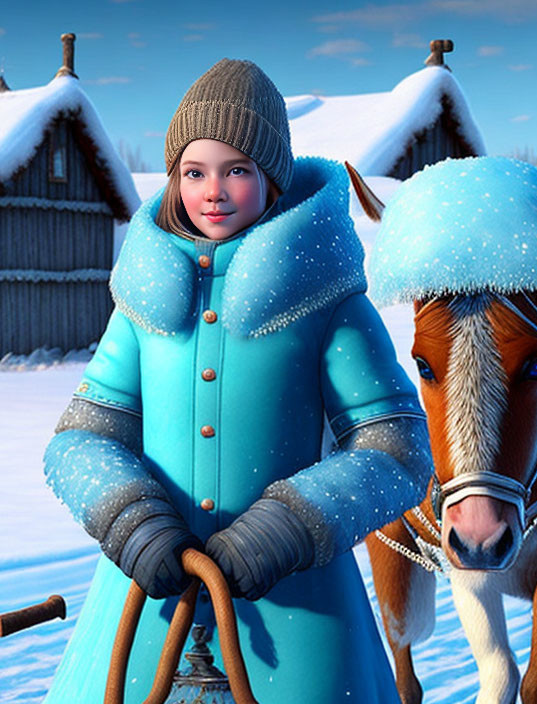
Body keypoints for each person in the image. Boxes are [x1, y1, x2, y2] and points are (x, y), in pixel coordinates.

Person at [42, 58, 432, 703]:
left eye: (237, 170)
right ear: (173, 179)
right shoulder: (142, 302)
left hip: (298, 612)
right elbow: (80, 439)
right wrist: (130, 520)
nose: (213, 191)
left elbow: (397, 450)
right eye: (194, 172)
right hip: (146, 604)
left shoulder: (326, 298)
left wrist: (287, 527)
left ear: (271, 180)